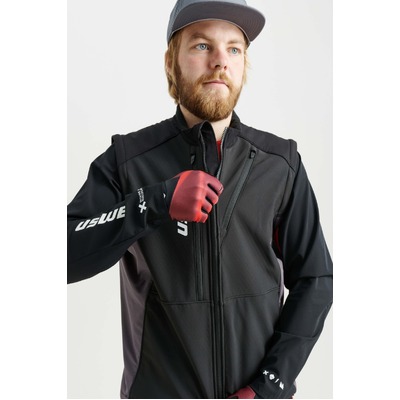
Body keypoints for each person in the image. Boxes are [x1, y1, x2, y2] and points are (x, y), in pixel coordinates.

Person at [67, 0, 333, 398]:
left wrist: (270, 385)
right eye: (202, 45)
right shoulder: (128, 161)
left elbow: (315, 279)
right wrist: (154, 202)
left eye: (234, 49)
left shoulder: (281, 164)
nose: (220, 61)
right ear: (171, 62)